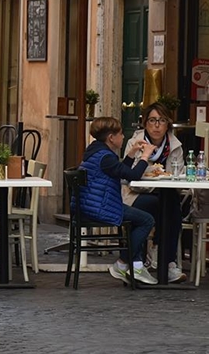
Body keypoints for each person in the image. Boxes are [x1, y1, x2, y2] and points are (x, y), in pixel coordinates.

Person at [78, 116, 158, 285]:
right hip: (100, 207)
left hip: (94, 204)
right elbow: (133, 175)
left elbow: (120, 170)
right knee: (147, 220)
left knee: (138, 214)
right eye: (121, 134)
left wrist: (131, 154)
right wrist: (145, 156)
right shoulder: (105, 157)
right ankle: (123, 264)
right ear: (111, 138)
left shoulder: (97, 151)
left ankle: (135, 266)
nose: (123, 137)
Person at [122, 103, 187, 283]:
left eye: (161, 121)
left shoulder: (175, 146)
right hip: (134, 195)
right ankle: (153, 261)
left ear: (168, 124)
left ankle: (167, 263)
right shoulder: (134, 143)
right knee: (159, 206)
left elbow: (177, 175)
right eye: (152, 120)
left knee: (172, 205)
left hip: (165, 194)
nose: (157, 125)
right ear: (145, 123)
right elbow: (130, 178)